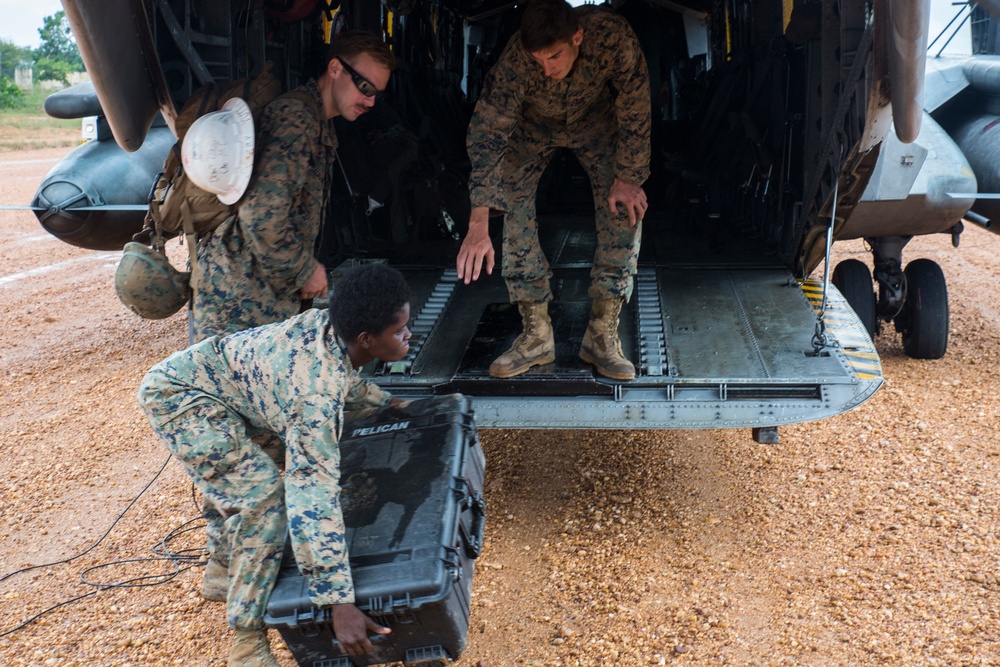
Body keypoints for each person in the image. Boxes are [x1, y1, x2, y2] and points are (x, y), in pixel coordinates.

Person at [137, 263, 413, 667]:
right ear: (368, 340)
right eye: (400, 331)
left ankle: (223, 571)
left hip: (228, 396)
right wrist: (339, 601)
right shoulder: (312, 396)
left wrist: (390, 405)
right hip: (180, 399)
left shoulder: (332, 333)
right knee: (264, 500)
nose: (409, 335)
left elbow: (346, 380)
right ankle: (247, 643)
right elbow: (312, 493)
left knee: (252, 475)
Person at [456, 0, 651, 381]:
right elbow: (488, 134)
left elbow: (635, 103)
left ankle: (601, 334)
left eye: (555, 56)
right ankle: (535, 335)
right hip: (532, 126)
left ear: (578, 37)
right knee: (510, 202)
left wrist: (629, 175)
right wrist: (478, 220)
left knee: (624, 205)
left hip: (595, 120)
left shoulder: (613, 38)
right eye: (539, 60)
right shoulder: (515, 61)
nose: (547, 68)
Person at [191, 30, 396, 341]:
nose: (369, 101)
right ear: (335, 69)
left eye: (376, 94)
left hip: (258, 291)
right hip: (240, 298)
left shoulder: (316, 120)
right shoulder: (297, 119)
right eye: (364, 87)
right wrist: (304, 270)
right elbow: (261, 215)